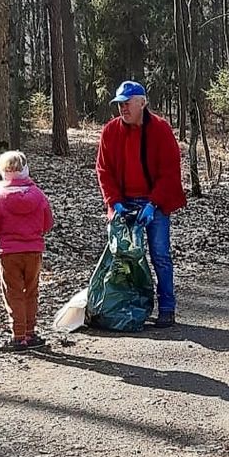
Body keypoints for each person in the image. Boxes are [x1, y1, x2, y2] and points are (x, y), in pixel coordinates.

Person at [96, 80, 187, 328]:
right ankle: (128, 308)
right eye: (120, 104)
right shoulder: (110, 131)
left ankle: (167, 308)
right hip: (123, 203)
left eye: (127, 103)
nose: (123, 109)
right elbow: (104, 171)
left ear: (142, 103)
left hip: (154, 203)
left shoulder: (160, 129)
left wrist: (153, 204)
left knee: (160, 255)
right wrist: (114, 203)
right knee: (123, 259)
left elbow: (169, 173)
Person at [0, 150, 55, 351]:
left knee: (13, 293)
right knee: (31, 291)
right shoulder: (38, 194)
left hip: (9, 252)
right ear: (25, 169)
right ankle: (31, 334)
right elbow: (48, 223)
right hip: (33, 250)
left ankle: (18, 337)